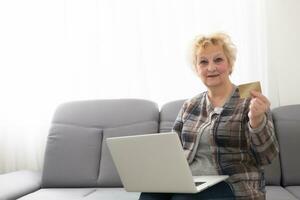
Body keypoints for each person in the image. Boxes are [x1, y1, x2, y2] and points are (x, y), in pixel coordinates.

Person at [139, 32, 279, 200]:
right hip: (191, 180)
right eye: (203, 62)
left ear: (230, 64)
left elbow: (267, 156)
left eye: (218, 60)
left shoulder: (250, 100)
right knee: (149, 195)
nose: (211, 67)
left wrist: (257, 122)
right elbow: (172, 149)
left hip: (233, 184)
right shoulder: (191, 105)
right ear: (197, 69)